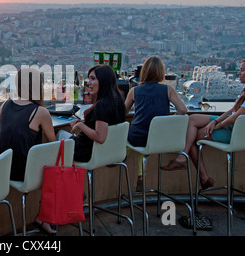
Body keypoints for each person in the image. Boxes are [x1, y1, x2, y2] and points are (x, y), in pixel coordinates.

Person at [0, 67, 56, 234]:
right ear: (38, 86)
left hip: (5, 172)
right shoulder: (40, 112)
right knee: (58, 172)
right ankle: (43, 218)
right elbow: (54, 144)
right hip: (25, 175)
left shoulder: (6, 105)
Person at [162, 59, 245, 189]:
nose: (239, 73)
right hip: (231, 127)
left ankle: (202, 175)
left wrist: (216, 125)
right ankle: (184, 160)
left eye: (242, 70)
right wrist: (216, 121)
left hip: (235, 134)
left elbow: (236, 117)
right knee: (193, 119)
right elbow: (232, 111)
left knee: (192, 137)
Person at [125, 56, 187, 190]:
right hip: (161, 139)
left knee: (133, 134)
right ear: (161, 72)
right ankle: (140, 176)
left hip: (138, 138)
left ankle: (124, 155)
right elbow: (183, 109)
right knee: (147, 137)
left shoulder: (134, 91)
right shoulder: (168, 90)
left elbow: (123, 112)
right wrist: (169, 121)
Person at [57, 64, 126, 162]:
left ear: (103, 81)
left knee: (59, 134)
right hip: (111, 152)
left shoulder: (102, 105)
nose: (88, 83)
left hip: (89, 153)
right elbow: (104, 123)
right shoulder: (118, 100)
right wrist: (83, 122)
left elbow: (100, 137)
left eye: (92, 79)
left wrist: (81, 125)